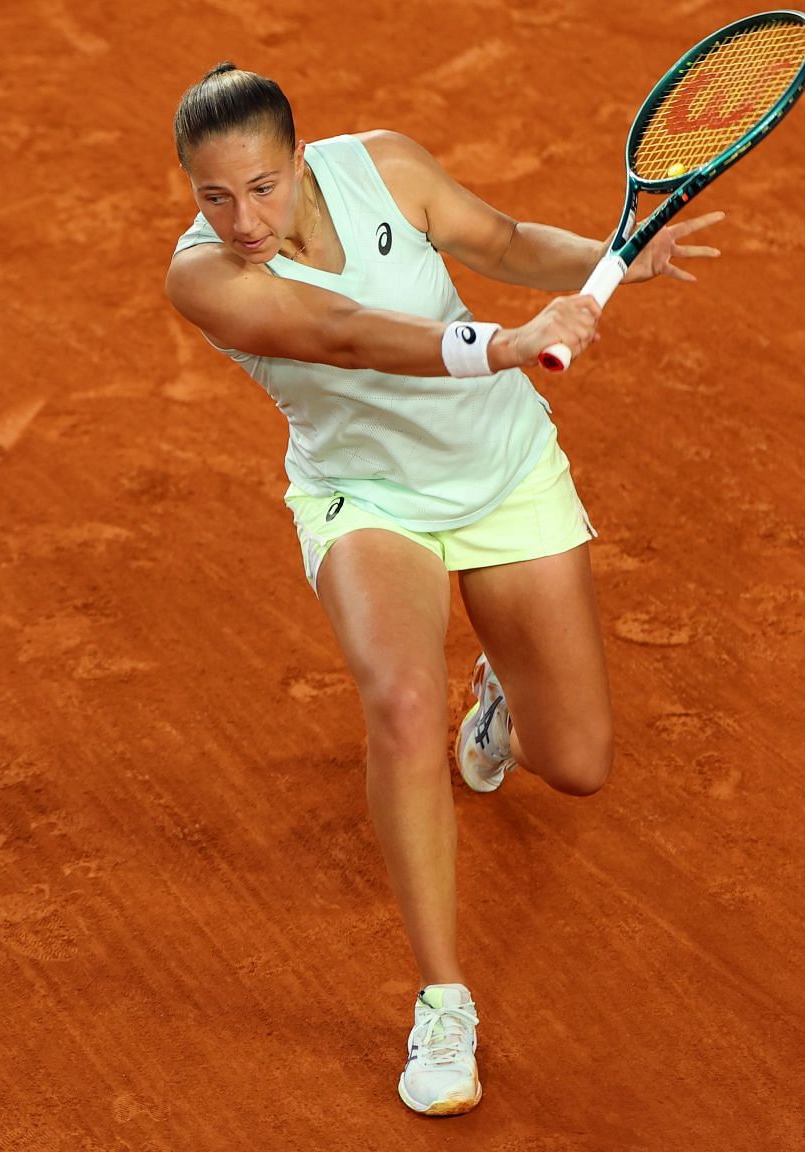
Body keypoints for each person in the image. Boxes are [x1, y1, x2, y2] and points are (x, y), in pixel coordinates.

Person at [163, 63, 724, 1116]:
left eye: (266, 185)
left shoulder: (385, 166)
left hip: (504, 470)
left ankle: (503, 706)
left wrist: (615, 258)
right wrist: (500, 344)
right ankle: (443, 998)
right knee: (403, 705)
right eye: (215, 195)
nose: (245, 217)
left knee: (579, 761)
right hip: (368, 496)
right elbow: (339, 338)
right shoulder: (203, 280)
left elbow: (505, 242)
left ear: (302, 156)